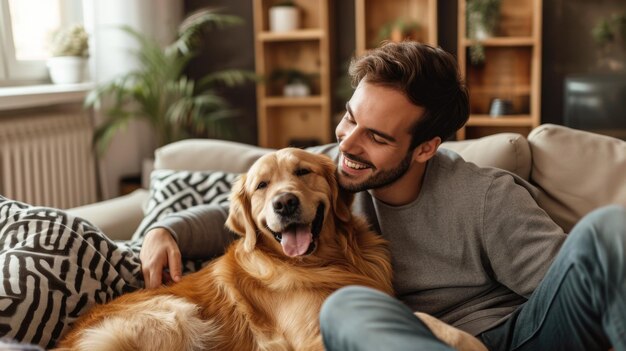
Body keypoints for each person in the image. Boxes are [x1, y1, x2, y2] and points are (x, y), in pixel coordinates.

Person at [140, 42, 626, 350]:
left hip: (511, 337)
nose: (347, 144)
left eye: (376, 136)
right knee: (345, 309)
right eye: (350, 117)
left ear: (425, 148)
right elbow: (254, 198)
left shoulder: (485, 197)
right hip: (402, 338)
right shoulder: (328, 171)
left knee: (610, 229)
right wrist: (165, 229)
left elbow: (571, 284)